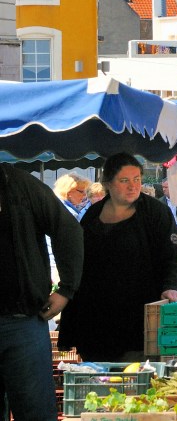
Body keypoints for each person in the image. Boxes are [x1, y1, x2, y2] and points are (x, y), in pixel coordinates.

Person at [59, 152, 177, 362]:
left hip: (139, 319)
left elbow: (175, 254)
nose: (133, 186)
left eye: (137, 179)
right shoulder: (92, 215)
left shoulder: (155, 212)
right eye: (124, 180)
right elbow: (79, 260)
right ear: (108, 183)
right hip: (97, 319)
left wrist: (173, 285)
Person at [0, 162, 83, 421]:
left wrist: (66, 289)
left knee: (36, 413)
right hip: (22, 325)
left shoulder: (19, 183)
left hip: (22, 320)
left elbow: (67, 229)